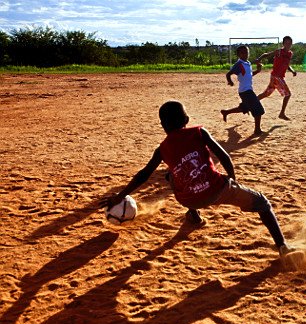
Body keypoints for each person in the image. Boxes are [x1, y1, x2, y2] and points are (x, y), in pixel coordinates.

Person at [100, 100, 295, 257]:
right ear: (187, 118)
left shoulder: (161, 149)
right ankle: (282, 246)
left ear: (162, 126)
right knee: (263, 204)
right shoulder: (199, 132)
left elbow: (144, 175)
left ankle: (193, 213)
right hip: (218, 191)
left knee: (171, 175)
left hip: (187, 198)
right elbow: (225, 157)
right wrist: (233, 182)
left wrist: (121, 195)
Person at [221, 45, 265, 135]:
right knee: (258, 110)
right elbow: (228, 74)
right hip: (246, 91)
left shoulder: (248, 63)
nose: (245, 54)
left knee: (244, 108)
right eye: (243, 52)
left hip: (246, 90)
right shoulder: (239, 64)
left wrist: (258, 70)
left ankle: (226, 112)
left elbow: (249, 75)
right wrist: (230, 82)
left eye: (247, 52)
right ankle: (257, 130)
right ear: (238, 54)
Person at [256, 36, 297, 121]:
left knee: (266, 94)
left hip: (277, 77)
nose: (288, 45)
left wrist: (292, 71)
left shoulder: (290, 54)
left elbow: (287, 65)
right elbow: (266, 55)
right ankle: (282, 113)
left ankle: (251, 102)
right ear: (283, 44)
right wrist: (259, 59)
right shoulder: (279, 52)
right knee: (288, 94)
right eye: (286, 43)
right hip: (276, 77)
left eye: (290, 43)